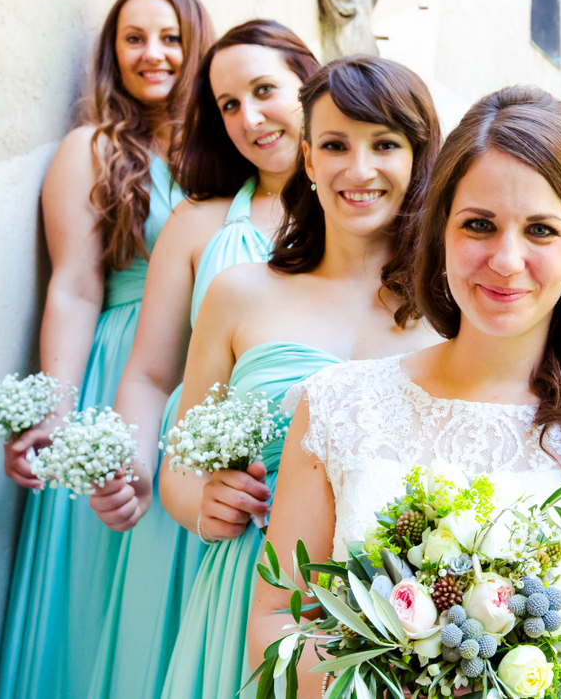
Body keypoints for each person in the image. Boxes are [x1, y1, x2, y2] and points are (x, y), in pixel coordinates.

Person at [246, 85, 561, 698]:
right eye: (479, 225)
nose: (506, 261)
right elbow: (278, 621)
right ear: (441, 234)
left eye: (540, 230)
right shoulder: (334, 405)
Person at [159, 55, 443, 698]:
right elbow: (179, 465)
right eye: (336, 145)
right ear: (309, 160)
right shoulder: (240, 294)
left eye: (385, 145)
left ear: (420, 156)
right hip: (251, 590)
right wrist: (204, 503)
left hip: (402, 610)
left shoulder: (452, 311)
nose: (359, 169)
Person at [82, 21, 320, 697]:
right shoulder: (198, 221)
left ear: (311, 82)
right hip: (198, 511)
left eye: (265, 90)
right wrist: (134, 466)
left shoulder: (363, 216)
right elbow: (151, 373)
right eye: (228, 104)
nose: (249, 117)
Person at [0, 0, 212, 699]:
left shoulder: (227, 155)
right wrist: (53, 413)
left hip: (209, 382)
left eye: (171, 37)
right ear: (112, 55)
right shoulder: (91, 149)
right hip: (118, 372)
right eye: (134, 38)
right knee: (94, 581)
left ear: (197, 44)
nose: (154, 54)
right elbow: (75, 288)